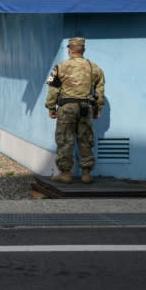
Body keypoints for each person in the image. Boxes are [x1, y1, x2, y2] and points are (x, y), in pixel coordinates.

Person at [45, 37, 105, 184]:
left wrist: (51, 107)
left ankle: (65, 174)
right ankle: (86, 174)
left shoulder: (60, 67)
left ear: (70, 49)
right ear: (83, 50)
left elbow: (53, 90)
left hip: (66, 108)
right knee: (85, 139)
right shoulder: (95, 68)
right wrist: (98, 108)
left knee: (65, 139)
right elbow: (100, 91)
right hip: (86, 107)